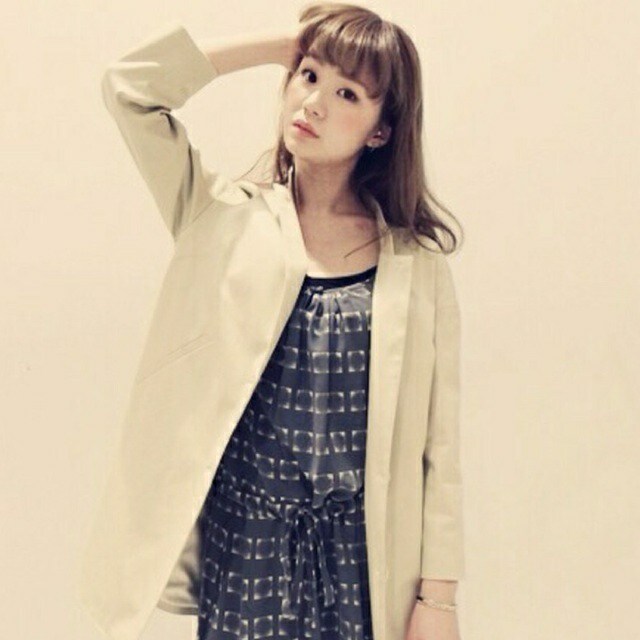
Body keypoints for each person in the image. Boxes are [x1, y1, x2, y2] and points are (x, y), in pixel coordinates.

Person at [76, 3, 466, 640]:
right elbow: (129, 90)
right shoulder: (218, 216)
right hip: (245, 546)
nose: (314, 104)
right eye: (308, 77)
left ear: (381, 131)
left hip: (363, 557)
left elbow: (438, 448)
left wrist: (438, 600)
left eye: (347, 93)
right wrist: (285, 43)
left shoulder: (416, 265)